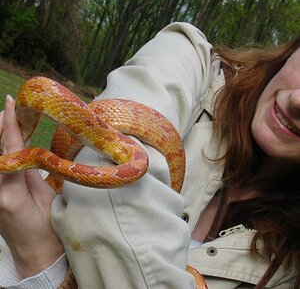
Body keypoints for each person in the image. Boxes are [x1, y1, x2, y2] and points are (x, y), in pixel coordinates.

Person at [0, 22, 299, 288]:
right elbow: (100, 188)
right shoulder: (190, 57)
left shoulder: (288, 268)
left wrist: (44, 265)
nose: (298, 100)